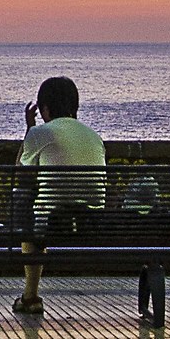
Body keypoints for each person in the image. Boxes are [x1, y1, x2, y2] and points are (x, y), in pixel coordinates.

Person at [13, 75, 104, 316]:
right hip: (92, 224)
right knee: (41, 210)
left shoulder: (40, 133)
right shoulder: (94, 137)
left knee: (26, 210)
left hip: (52, 225)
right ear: (75, 107)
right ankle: (30, 297)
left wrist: (29, 130)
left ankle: (31, 297)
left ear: (44, 108)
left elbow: (20, 176)